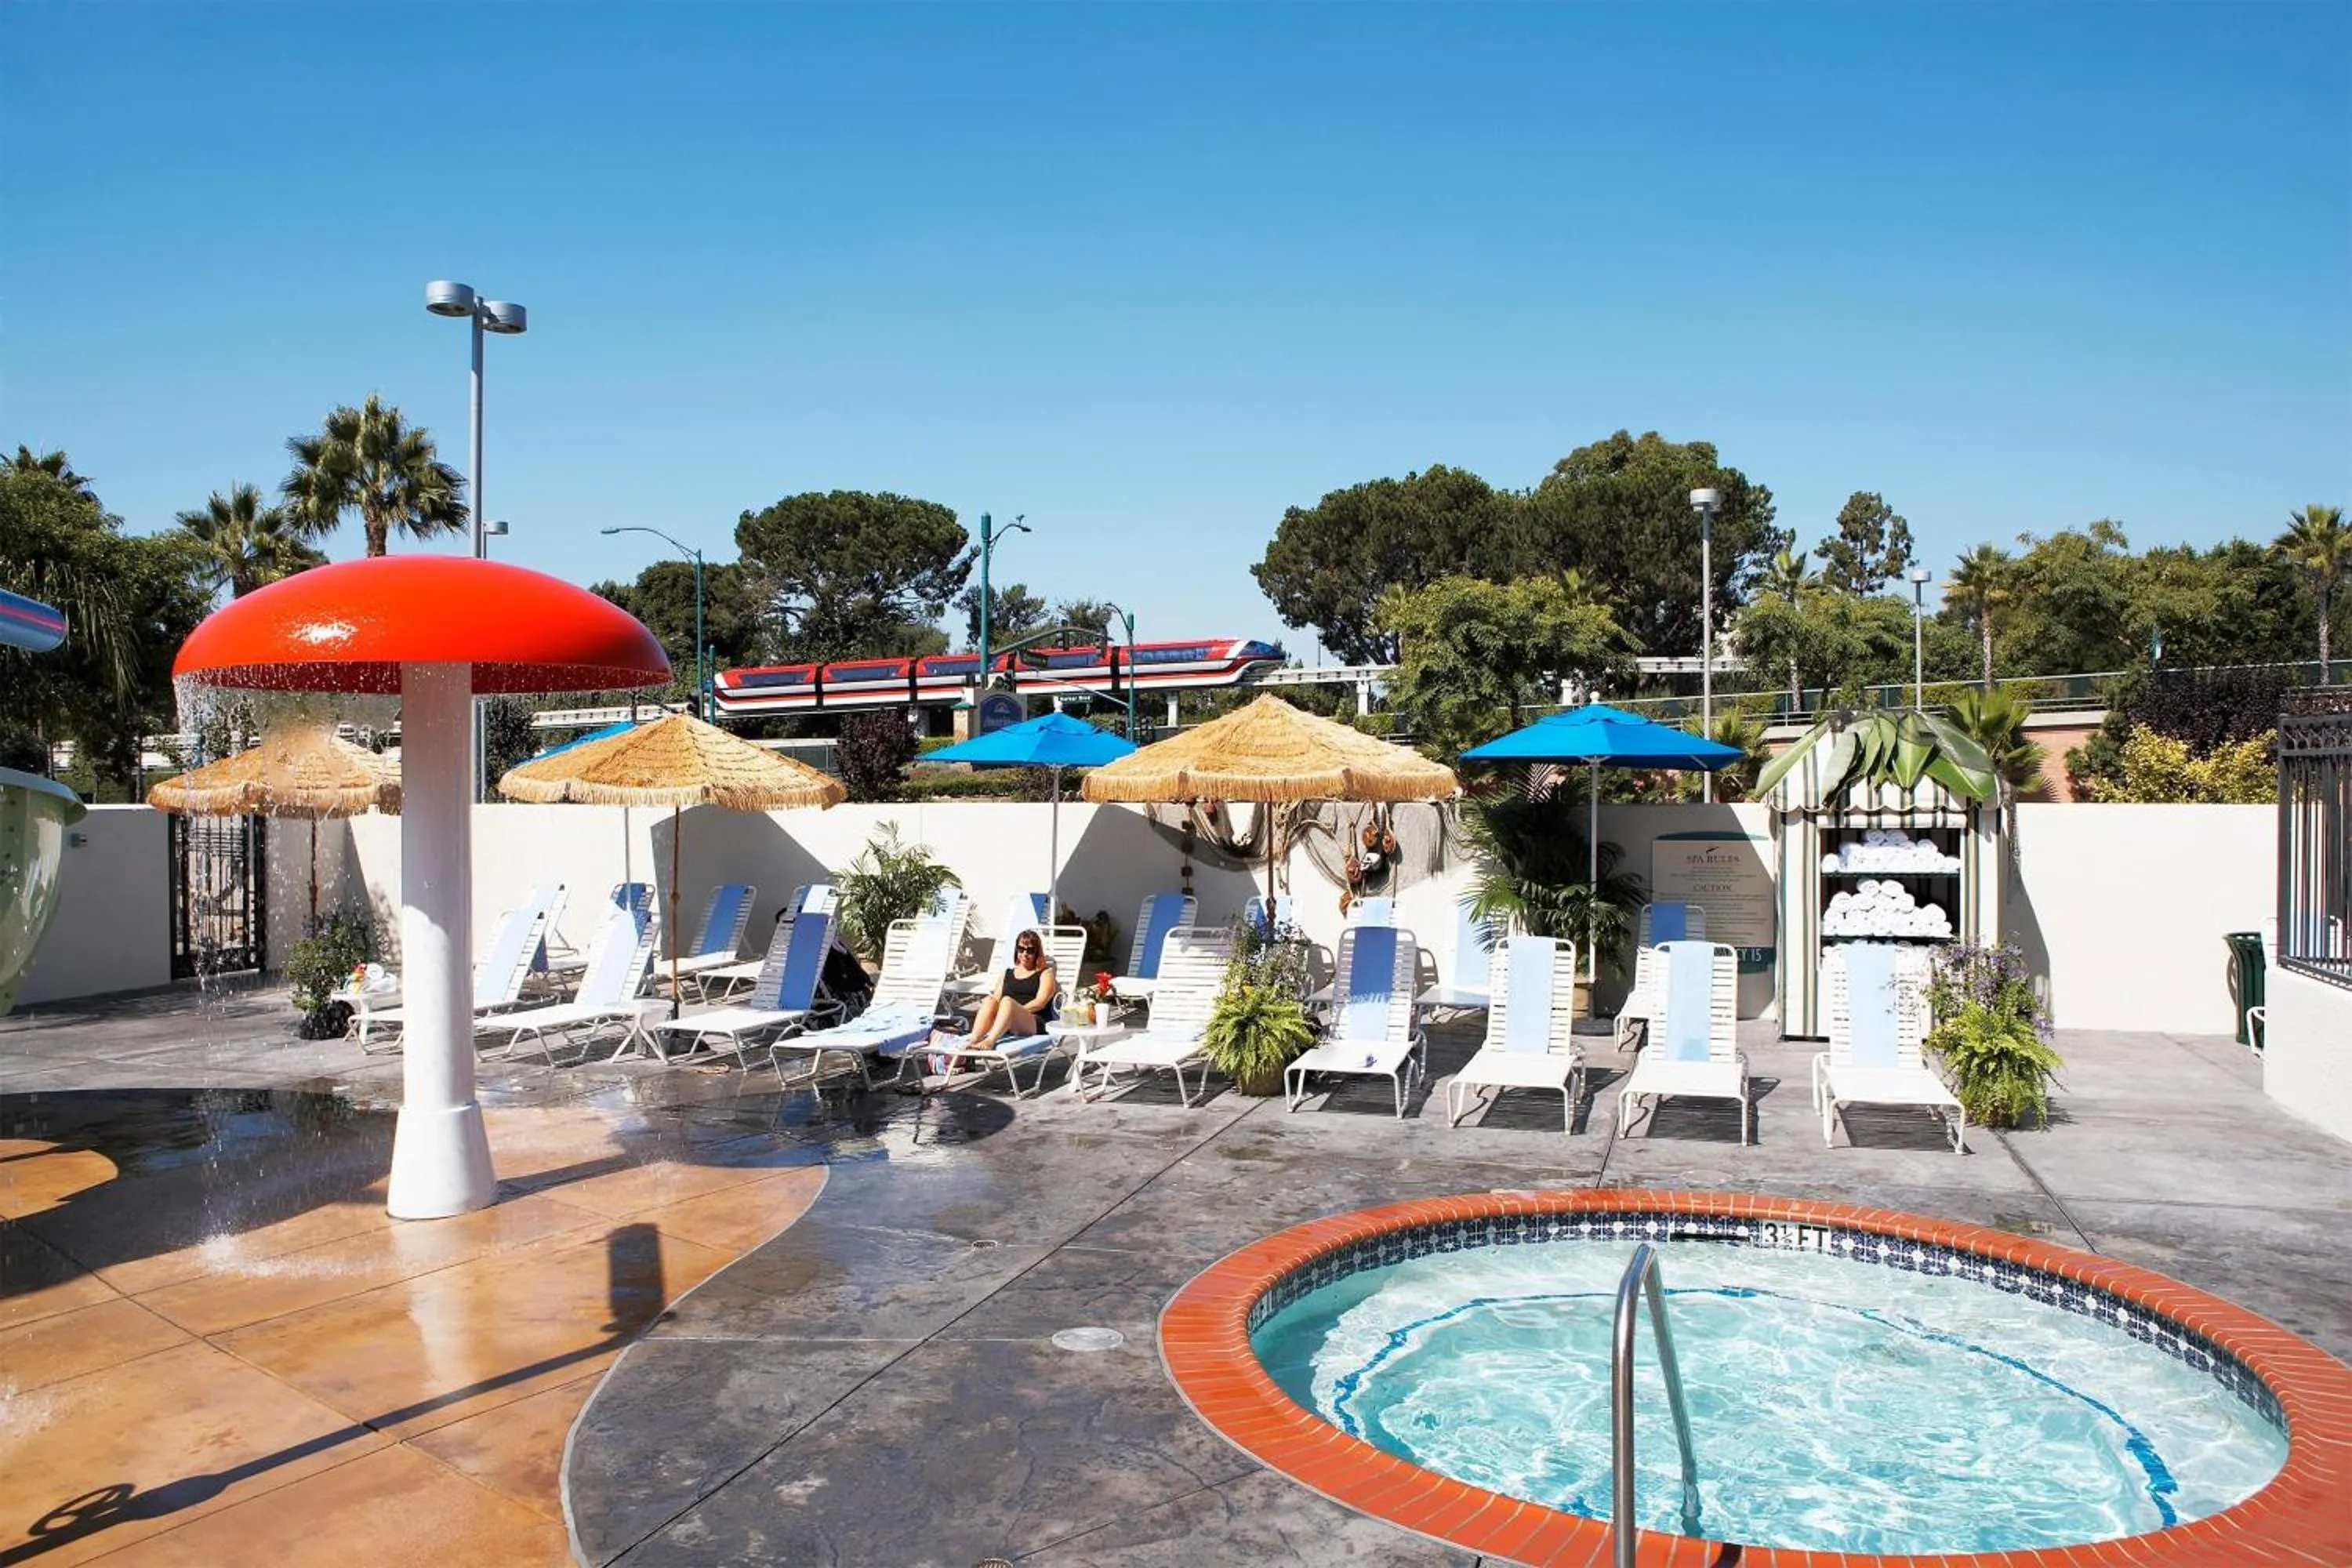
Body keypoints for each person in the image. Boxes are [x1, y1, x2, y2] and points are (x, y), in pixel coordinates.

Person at [964, 927, 1057, 1051]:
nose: (1025, 954)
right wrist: (1004, 1015)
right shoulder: (1007, 974)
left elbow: (1041, 1002)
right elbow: (996, 999)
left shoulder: (1045, 974)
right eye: (1021, 949)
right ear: (1016, 950)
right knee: (989, 1000)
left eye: (1030, 950)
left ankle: (990, 1041)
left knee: (1007, 1002)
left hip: (1034, 1021)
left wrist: (1012, 1012)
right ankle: (974, 1039)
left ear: (1037, 952)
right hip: (1009, 1021)